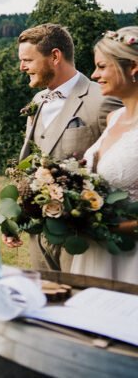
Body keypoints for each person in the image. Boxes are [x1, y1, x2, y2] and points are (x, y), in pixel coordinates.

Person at [8, 24, 121, 272]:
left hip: (82, 240)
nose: (22, 67)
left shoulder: (102, 98)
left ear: (55, 56)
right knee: (46, 302)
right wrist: (17, 217)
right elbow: (32, 162)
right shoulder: (38, 101)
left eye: (28, 60)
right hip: (39, 234)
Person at [70, 27, 138, 283]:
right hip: (94, 256)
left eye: (101, 66)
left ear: (132, 66)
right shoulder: (114, 118)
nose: (94, 74)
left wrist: (108, 229)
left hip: (130, 261)